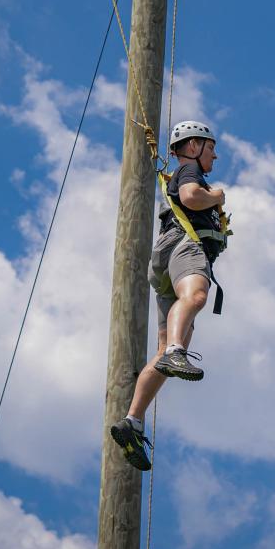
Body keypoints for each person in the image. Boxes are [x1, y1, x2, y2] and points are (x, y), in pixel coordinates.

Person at [110, 120, 229, 471]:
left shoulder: (186, 170)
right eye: (210, 147)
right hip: (183, 247)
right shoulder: (190, 169)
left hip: (166, 261)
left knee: (163, 349)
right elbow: (192, 197)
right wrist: (217, 196)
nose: (215, 155)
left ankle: (132, 420)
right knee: (195, 296)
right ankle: (178, 352)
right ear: (193, 147)